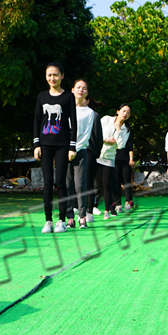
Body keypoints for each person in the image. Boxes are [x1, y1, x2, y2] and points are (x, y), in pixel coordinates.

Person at [32, 62, 77, 234]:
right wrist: (36, 144)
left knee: (60, 182)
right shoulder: (42, 97)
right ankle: (48, 220)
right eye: (49, 75)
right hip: (45, 145)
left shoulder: (68, 97)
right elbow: (36, 120)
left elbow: (73, 122)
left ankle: (61, 220)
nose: (52, 78)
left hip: (63, 145)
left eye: (55, 75)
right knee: (48, 182)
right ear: (46, 77)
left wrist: (72, 146)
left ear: (62, 76)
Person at [67, 79, 101, 228]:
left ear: (87, 92)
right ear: (72, 90)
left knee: (80, 185)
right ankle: (69, 218)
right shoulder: (64, 110)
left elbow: (91, 136)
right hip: (64, 152)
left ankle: (82, 216)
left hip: (81, 152)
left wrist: (77, 149)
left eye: (84, 88)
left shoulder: (91, 113)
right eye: (78, 87)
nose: (81, 90)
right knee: (66, 185)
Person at [96, 105, 131, 218]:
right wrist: (105, 140)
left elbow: (121, 145)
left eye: (128, 112)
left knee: (108, 184)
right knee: (98, 184)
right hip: (97, 155)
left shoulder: (126, 130)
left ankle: (110, 208)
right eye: (124, 111)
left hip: (110, 158)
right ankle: (91, 208)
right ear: (118, 111)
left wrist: (113, 142)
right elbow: (96, 133)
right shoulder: (106, 119)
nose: (125, 113)